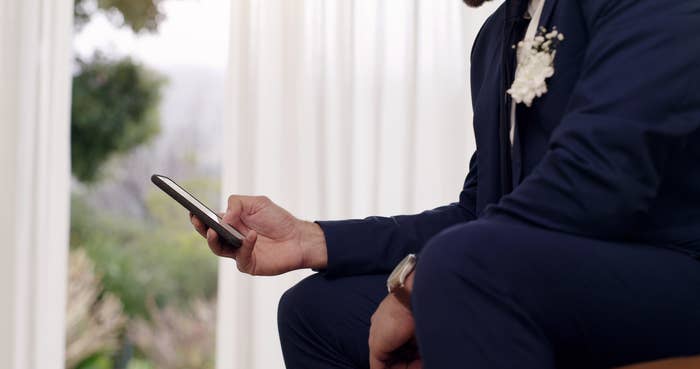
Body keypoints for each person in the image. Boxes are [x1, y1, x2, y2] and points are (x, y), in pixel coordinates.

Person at [191, 0, 700, 368]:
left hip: (670, 273)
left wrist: (418, 285)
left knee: (463, 271)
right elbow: (479, 212)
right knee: (312, 312)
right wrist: (313, 239)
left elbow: (599, 178)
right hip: (533, 277)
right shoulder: (495, 39)